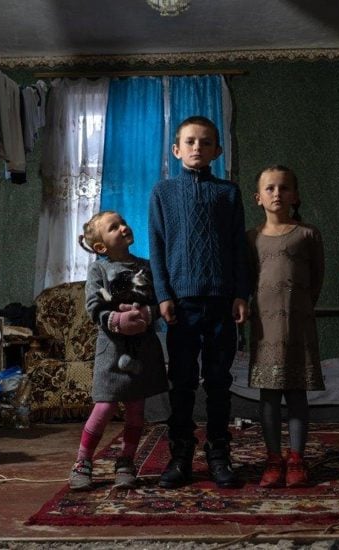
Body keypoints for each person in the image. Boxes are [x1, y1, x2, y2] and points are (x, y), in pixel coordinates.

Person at [148, 116, 251, 489]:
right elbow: (156, 247)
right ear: (177, 150)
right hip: (181, 304)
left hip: (222, 300)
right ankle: (180, 454)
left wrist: (241, 293)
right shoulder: (162, 192)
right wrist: (163, 296)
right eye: (190, 142)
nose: (197, 148)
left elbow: (239, 246)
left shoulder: (228, 193)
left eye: (205, 143)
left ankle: (219, 451)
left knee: (219, 380)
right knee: (182, 381)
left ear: (217, 151)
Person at [68, 211, 169, 491]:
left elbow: (159, 300)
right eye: (114, 227)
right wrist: (116, 320)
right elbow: (94, 306)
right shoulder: (98, 270)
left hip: (142, 350)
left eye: (123, 222)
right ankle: (82, 461)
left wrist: (146, 315)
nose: (123, 227)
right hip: (112, 350)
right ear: (101, 247)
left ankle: (126, 461)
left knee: (136, 410)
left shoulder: (147, 267)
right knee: (104, 406)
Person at [247, 165, 324, 488]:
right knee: (268, 395)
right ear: (258, 198)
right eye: (270, 188)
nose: (276, 193)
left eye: (284, 188)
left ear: (295, 195)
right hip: (264, 328)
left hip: (298, 325)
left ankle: (296, 458)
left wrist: (300, 309)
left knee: (296, 393)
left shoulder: (307, 234)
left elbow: (317, 279)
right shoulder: (250, 238)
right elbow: (248, 280)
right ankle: (273, 458)